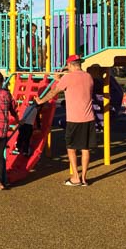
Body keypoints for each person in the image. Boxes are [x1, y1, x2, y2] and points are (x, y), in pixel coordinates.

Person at [36, 54, 95, 187]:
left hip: (74, 119)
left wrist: (40, 100)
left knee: (71, 148)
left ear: (69, 65)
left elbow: (54, 92)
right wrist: (60, 79)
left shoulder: (68, 78)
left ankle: (75, 177)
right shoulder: (88, 77)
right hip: (89, 118)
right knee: (85, 148)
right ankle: (84, 178)